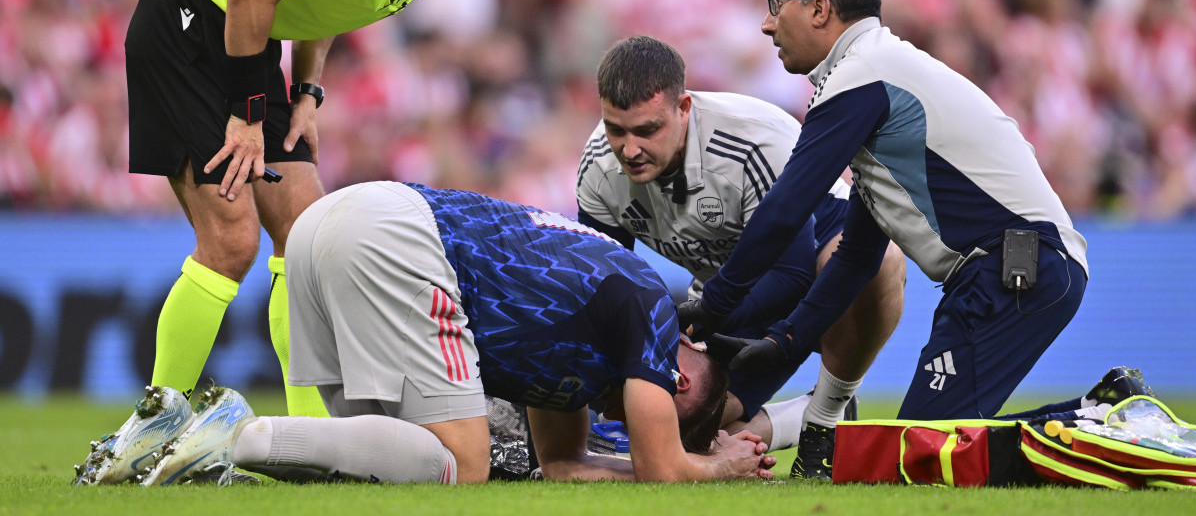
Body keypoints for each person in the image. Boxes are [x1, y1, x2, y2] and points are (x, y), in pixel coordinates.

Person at [123, 0, 565, 416]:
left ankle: (308, 432)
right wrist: (247, 115)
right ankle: (154, 425)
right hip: (190, 20)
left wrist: (306, 91)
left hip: (246, 36)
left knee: (304, 241)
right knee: (231, 243)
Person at [681, 0, 1089, 479]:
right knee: (932, 447)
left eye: (776, 3)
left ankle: (1096, 422)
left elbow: (786, 210)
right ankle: (1095, 417)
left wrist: (711, 308)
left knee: (923, 456)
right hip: (1021, 268)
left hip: (1013, 269)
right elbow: (856, 256)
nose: (765, 23)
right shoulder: (879, 75)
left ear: (820, 9)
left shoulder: (862, 75)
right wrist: (787, 340)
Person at [76, 182, 776, 485]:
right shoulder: (653, 308)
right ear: (680, 373)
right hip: (400, 240)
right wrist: (719, 465)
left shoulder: (581, 369)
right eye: (663, 400)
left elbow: (565, 466)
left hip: (344, 221)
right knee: (463, 464)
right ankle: (229, 432)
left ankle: (201, 450)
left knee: (377, 463)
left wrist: (674, 460)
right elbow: (661, 469)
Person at [576, 35, 906, 477]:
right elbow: (601, 287)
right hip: (723, 292)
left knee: (879, 261)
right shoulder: (598, 169)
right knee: (679, 425)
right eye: (617, 130)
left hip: (811, 265)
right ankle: (800, 419)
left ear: (683, 108)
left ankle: (826, 415)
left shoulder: (752, 140)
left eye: (647, 130)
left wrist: (693, 321)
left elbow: (791, 275)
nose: (629, 150)